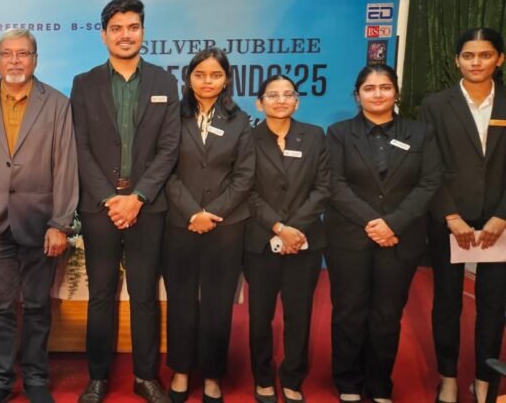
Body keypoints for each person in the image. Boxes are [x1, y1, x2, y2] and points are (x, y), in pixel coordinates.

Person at [0, 28, 79, 403]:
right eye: (7, 53)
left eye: (22, 53)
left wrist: (60, 223)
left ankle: (37, 378)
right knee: (1, 308)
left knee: (39, 306)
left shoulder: (56, 103)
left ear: (35, 59)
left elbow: (66, 165)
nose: (14, 60)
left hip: (42, 225)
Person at [70, 0, 180, 403]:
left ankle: (145, 376)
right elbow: (79, 147)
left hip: (148, 207)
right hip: (99, 207)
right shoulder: (84, 83)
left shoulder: (164, 83)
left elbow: (169, 148)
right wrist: (109, 198)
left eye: (132, 27)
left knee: (144, 294)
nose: (125, 35)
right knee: (100, 294)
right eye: (116, 29)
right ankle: (98, 377)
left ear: (143, 32)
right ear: (104, 36)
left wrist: (138, 196)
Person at [325, 64, 441, 403]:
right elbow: (334, 183)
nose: (378, 94)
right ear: (357, 95)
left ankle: (379, 386)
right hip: (349, 237)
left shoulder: (421, 133)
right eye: (369, 88)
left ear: (396, 92)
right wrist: (374, 222)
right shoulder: (338, 133)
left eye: (385, 87)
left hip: (400, 238)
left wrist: (394, 223)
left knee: (387, 315)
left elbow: (429, 182)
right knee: (348, 311)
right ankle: (348, 382)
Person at [163, 47, 254, 403]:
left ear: (226, 80)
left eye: (215, 75)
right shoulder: (172, 116)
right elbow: (164, 169)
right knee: (181, 300)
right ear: (188, 78)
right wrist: (192, 212)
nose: (207, 81)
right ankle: (181, 370)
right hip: (179, 223)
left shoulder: (240, 120)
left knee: (218, 303)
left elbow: (244, 176)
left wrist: (212, 213)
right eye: (200, 75)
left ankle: (213, 375)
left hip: (226, 226)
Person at [420, 27, 506, 403]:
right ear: (457, 60)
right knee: (447, 301)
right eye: (468, 55)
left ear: (499, 59)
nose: (476, 62)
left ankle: (485, 381)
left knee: (493, 304)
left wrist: (502, 216)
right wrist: (450, 215)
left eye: (485, 55)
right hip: (449, 219)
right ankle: (449, 377)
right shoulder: (435, 105)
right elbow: (428, 166)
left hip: (499, 221)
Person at [245, 74, 330, 403]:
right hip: (261, 241)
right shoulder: (248, 138)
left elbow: (323, 187)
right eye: (272, 95)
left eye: (288, 94)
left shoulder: (314, 136)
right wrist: (279, 227)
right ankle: (263, 377)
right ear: (259, 103)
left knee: (299, 314)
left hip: (305, 241)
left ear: (297, 101)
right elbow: (246, 190)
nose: (281, 100)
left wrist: (296, 227)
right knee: (260, 316)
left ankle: (293, 377)